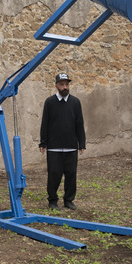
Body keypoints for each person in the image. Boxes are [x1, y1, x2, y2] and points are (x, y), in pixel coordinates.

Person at [39, 72, 86, 211]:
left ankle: (68, 200)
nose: (65, 87)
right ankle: (53, 201)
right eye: (62, 85)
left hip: (71, 146)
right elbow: (45, 124)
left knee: (71, 174)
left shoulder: (75, 102)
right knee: (54, 175)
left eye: (66, 84)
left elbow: (79, 124)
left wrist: (81, 143)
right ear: (56, 86)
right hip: (54, 147)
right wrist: (43, 142)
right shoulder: (49, 102)